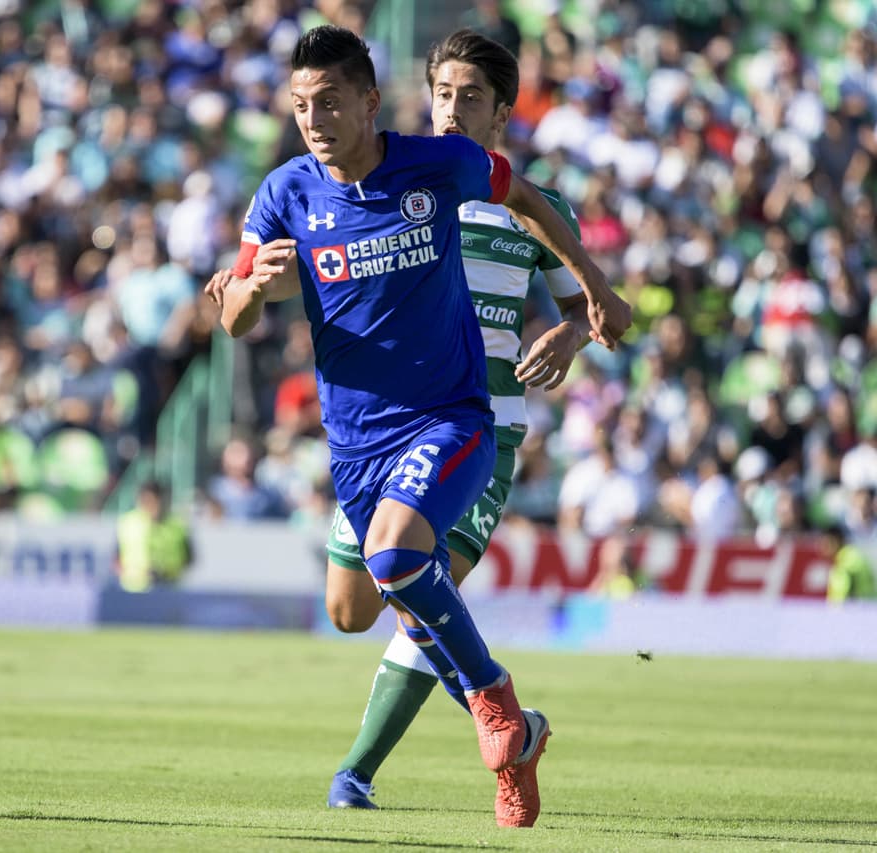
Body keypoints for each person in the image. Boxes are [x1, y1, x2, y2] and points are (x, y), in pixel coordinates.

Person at [213, 26, 629, 829]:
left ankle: (393, 758)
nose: (451, 109)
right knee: (354, 606)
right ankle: (509, 728)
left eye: (470, 97)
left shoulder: (461, 181)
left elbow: (567, 274)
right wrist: (247, 289)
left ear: (501, 111)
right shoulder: (314, 189)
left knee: (406, 567)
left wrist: (582, 320)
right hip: (363, 436)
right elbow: (240, 301)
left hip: (474, 423)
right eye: (441, 93)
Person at [114, 481, 194, 593]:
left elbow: (189, 558)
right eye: (146, 501)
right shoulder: (128, 523)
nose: (150, 505)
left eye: (153, 501)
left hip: (168, 588)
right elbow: (116, 559)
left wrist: (167, 571)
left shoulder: (178, 524)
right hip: (134, 591)